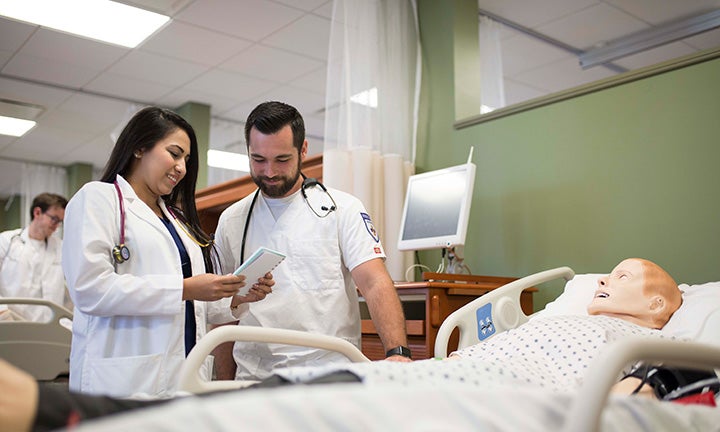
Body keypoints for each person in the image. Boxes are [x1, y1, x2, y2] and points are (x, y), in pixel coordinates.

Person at [4, 257, 716, 432]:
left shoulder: (649, 347)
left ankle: (60, 409)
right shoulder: (554, 318)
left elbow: (635, 401)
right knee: (297, 397)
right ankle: (71, 407)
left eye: (621, 278)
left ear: (659, 303)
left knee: (309, 408)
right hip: (442, 377)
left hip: (491, 401)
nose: (601, 283)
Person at [61, 107, 273, 398]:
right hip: (122, 379)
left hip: (182, 375)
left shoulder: (176, 221)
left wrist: (237, 296)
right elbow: (89, 289)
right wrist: (184, 289)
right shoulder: (99, 199)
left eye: (186, 159)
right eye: (174, 153)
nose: (182, 168)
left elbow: (193, 304)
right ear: (139, 147)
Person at [212, 101, 410, 381]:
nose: (269, 172)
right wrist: (221, 385)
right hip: (255, 377)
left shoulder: (343, 209)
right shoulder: (232, 220)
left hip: (330, 372)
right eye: (258, 160)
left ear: (303, 149)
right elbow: (223, 311)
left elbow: (374, 282)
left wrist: (397, 352)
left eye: (282, 160)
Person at [0, 193, 69, 321]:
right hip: (11, 321)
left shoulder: (61, 248)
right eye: (54, 219)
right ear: (37, 213)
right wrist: (2, 311)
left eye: (60, 221)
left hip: (47, 325)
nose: (57, 226)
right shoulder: (6, 241)